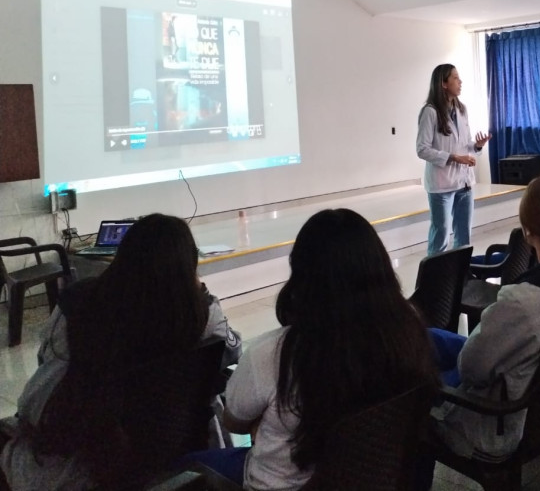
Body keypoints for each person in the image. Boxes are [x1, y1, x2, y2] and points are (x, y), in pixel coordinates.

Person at [0, 214, 240, 491]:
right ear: (189, 264)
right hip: (162, 448)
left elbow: (45, 367)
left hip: (71, 459)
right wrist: (202, 290)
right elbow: (231, 350)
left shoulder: (78, 302)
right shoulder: (200, 312)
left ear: (124, 255)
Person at [201, 209, 438, 489]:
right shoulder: (407, 330)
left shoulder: (272, 353)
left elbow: (234, 421)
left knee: (191, 465)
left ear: (302, 276)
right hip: (374, 478)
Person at [429, 176, 540, 461]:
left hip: (495, 421)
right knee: (428, 337)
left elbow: (471, 369)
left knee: (413, 380)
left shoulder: (522, 302)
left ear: (528, 229)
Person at [416, 64, 491, 255]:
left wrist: (477, 146)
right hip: (442, 184)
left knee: (463, 235)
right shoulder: (430, 112)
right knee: (440, 235)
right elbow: (422, 149)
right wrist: (453, 158)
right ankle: (434, 279)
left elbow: (464, 144)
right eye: (455, 78)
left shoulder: (462, 109)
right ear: (443, 83)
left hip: (464, 183)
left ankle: (461, 276)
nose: (460, 82)